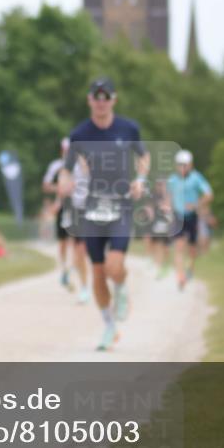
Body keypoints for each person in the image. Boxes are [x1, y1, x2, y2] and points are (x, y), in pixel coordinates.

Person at [58, 78, 150, 351]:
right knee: (98, 272)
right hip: (92, 207)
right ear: (89, 100)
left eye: (106, 96)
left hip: (121, 204)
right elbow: (67, 167)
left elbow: (143, 158)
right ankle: (109, 327)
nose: (101, 101)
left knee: (114, 266)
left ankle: (121, 288)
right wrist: (64, 180)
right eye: (96, 97)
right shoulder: (79, 134)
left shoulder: (129, 128)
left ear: (114, 99)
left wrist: (141, 180)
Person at [44, 138, 90, 302]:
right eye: (65, 150)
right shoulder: (57, 167)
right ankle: (65, 269)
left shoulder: (83, 165)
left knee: (80, 250)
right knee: (63, 243)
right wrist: (60, 193)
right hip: (66, 209)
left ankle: (84, 286)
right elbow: (50, 186)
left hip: (81, 209)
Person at [167, 149, 213, 290]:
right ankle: (180, 276)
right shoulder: (172, 180)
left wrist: (197, 204)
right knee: (179, 247)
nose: (182, 167)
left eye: (185, 164)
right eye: (180, 164)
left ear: (190, 164)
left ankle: (190, 269)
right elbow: (168, 198)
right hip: (177, 216)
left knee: (192, 249)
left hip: (192, 216)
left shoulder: (196, 178)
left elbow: (209, 194)